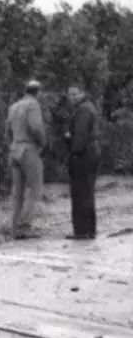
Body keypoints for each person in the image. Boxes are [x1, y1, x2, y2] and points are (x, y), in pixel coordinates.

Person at [6, 79, 46, 239]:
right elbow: (35, 127)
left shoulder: (14, 106)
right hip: (28, 148)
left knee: (17, 191)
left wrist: (13, 143)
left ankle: (14, 226)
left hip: (15, 148)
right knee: (35, 189)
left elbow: (8, 130)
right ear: (38, 92)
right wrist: (42, 143)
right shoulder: (33, 105)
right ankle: (25, 225)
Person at [65, 85, 100, 240]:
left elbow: (81, 134)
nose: (72, 97)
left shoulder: (83, 110)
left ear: (82, 93)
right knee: (87, 191)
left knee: (81, 192)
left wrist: (72, 149)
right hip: (91, 152)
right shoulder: (87, 107)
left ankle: (82, 230)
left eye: (75, 94)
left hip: (83, 154)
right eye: (70, 94)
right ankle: (89, 229)